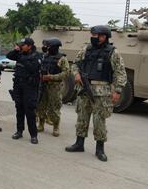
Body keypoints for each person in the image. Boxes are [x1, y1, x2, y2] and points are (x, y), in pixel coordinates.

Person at [66, 25, 127, 162]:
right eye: (92, 35)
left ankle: (100, 149)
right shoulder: (85, 49)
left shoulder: (112, 52)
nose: (93, 37)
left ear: (103, 37)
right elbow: (75, 64)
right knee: (82, 117)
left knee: (99, 120)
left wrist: (117, 90)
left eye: (96, 35)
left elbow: (120, 72)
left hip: (102, 92)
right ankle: (79, 144)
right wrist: (76, 74)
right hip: (84, 89)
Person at [7, 38, 42, 144]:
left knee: (30, 111)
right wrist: (16, 50)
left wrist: (22, 58)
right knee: (19, 109)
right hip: (18, 85)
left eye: (23, 45)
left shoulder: (37, 56)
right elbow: (9, 56)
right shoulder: (19, 53)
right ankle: (19, 131)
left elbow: (32, 68)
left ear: (29, 46)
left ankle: (33, 135)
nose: (21, 46)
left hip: (29, 87)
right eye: (21, 45)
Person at [36, 37, 70, 137]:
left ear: (54, 47)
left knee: (54, 107)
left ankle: (56, 127)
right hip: (43, 85)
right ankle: (41, 124)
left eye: (48, 46)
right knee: (41, 105)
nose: (46, 48)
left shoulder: (62, 58)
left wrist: (51, 77)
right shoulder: (44, 57)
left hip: (55, 86)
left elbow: (66, 73)